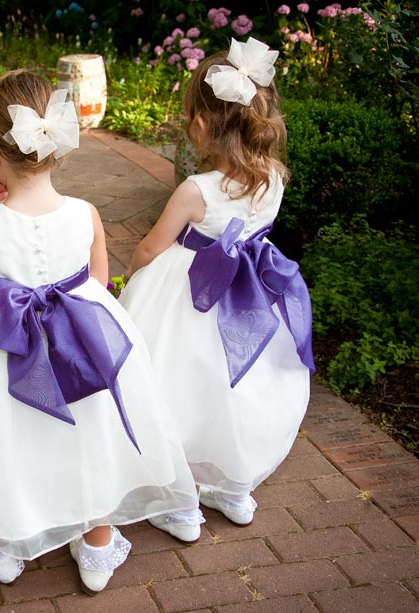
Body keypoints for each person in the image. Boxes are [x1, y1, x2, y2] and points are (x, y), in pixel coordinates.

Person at [0, 69, 199, 595]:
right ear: (59, 144)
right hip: (81, 341)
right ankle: (96, 539)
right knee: (89, 433)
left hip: (9, 347)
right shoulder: (86, 214)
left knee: (6, 433)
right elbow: (95, 281)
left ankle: (5, 540)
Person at [119, 37, 315, 540]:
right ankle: (234, 489)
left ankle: (181, 503)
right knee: (237, 387)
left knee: (178, 385)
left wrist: (132, 283)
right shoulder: (275, 176)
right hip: (250, 298)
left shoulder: (196, 190)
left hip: (190, 294)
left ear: (203, 126)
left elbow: (152, 248)